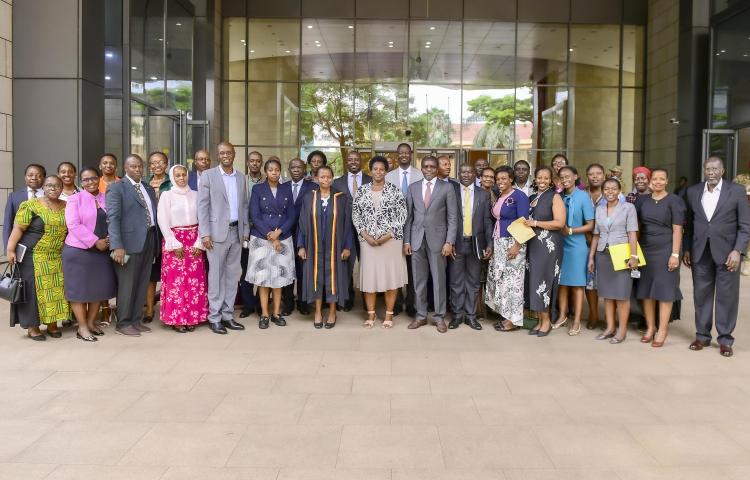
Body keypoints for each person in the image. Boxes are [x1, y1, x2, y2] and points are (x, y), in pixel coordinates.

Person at [683, 156, 750, 357]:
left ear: (723, 171)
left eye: (715, 169)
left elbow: (745, 225)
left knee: (727, 297)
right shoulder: (693, 191)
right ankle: (702, 336)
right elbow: (690, 225)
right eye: (707, 169)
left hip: (728, 254)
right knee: (701, 295)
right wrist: (687, 248)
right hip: (700, 251)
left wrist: (738, 250)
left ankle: (725, 339)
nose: (711, 172)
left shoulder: (736, 191)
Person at [6, 175, 69, 340]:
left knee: (54, 290)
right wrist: (10, 249)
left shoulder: (67, 206)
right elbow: (18, 228)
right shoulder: (31, 205)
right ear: (44, 188)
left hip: (55, 256)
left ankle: (52, 324)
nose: (53, 188)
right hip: (32, 256)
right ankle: (33, 327)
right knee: (32, 292)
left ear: (62, 188)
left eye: (56, 186)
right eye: (49, 185)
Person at [198, 141, 249, 335]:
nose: (226, 155)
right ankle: (214, 317)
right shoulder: (208, 176)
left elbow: (244, 205)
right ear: (218, 155)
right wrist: (205, 234)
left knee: (232, 276)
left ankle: (228, 315)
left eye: (229, 152)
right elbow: (202, 207)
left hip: (236, 234)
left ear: (234, 154)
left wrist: (245, 233)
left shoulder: (241, 178)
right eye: (222, 153)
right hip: (216, 235)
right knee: (216, 277)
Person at [352, 156, 408, 328]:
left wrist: (389, 234)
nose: (378, 172)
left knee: (390, 277)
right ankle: (371, 314)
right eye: (375, 169)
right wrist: (365, 235)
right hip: (368, 242)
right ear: (370, 171)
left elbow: (402, 215)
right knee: (370, 278)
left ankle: (389, 315)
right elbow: (356, 214)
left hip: (390, 241)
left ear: (386, 171)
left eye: (381, 169)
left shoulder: (395, 190)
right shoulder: (361, 191)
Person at [403, 156, 457, 334]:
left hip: (439, 242)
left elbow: (452, 217)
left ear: (437, 169)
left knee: (439, 281)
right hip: (417, 241)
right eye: (425, 166)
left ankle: (440, 317)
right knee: (418, 281)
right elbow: (409, 218)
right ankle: (420, 315)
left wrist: (449, 242)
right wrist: (407, 240)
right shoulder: (413, 188)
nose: (429, 169)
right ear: (421, 168)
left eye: (432, 166)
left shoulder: (447, 187)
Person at [62, 167, 116, 342]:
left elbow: (114, 219)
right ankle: (82, 327)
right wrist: (95, 241)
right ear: (81, 181)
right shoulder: (74, 199)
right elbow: (73, 225)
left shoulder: (106, 197)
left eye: (93, 178)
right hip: (79, 252)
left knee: (97, 289)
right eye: (86, 180)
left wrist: (108, 239)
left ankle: (92, 323)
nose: (91, 182)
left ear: (98, 179)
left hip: (101, 252)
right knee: (79, 290)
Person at [107, 154, 158, 337]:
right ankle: (123, 323)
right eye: (133, 167)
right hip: (126, 245)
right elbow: (113, 218)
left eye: (140, 167)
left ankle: (135, 320)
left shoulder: (147, 188)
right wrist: (117, 246)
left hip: (149, 240)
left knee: (142, 282)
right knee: (127, 284)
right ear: (126, 168)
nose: (137, 170)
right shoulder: (116, 188)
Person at [635, 168, 686, 347]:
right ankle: (651, 327)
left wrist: (675, 254)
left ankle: (662, 330)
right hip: (646, 249)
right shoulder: (643, 201)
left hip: (666, 249)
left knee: (665, 292)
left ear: (667, 181)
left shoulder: (674, 201)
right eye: (654, 179)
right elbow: (638, 227)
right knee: (646, 291)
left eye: (661, 179)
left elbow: (678, 229)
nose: (657, 182)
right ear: (650, 181)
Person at [297, 165, 352, 328]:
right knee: (316, 278)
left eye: (328, 177)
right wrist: (301, 245)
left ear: (332, 178)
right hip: (313, 246)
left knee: (333, 279)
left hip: (334, 247)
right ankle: (318, 312)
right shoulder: (309, 197)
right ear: (316, 178)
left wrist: (347, 246)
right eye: (322, 177)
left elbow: (347, 224)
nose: (325, 180)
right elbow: (301, 223)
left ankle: (333, 312)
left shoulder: (341, 198)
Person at [157, 165, 208, 332]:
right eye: (177, 175)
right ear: (172, 177)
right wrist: (173, 243)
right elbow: (162, 220)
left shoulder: (196, 194)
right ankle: (178, 319)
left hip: (194, 239)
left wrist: (199, 242)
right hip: (175, 240)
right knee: (176, 282)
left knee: (194, 281)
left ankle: (193, 316)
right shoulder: (167, 195)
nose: (181, 178)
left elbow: (203, 218)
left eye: (183, 174)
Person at [247, 159, 297, 329]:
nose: (274, 173)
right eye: (270, 170)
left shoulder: (286, 189)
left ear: (280, 171)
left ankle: (276, 313)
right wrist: (272, 236)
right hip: (262, 238)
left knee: (279, 278)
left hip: (283, 237)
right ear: (265, 172)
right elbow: (255, 215)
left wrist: (279, 233)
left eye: (277, 170)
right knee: (263, 279)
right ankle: (264, 314)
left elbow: (291, 215)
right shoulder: (258, 189)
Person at [588, 178, 639, 344]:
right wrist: (591, 257)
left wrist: (634, 256)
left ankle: (622, 329)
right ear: (603, 191)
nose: (610, 192)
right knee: (607, 295)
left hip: (621, 254)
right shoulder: (599, 208)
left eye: (613, 189)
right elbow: (596, 234)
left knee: (622, 295)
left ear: (619, 190)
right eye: (607, 189)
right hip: (603, 254)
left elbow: (632, 233)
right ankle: (610, 327)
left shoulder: (628, 208)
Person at [448, 163, 493, 330]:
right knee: (456, 281)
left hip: (476, 244)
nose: (466, 174)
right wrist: (449, 241)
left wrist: (489, 243)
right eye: (462, 171)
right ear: (458, 173)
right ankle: (457, 316)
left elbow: (487, 221)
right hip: (456, 243)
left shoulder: (483, 194)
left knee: (473, 282)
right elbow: (447, 219)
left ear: (476, 174)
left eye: (469, 171)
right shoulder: (451, 191)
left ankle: (471, 316)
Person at [486, 165, 530, 331]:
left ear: (511, 179)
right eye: (498, 179)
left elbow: (524, 221)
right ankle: (506, 317)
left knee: (514, 283)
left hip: (513, 242)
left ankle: (514, 320)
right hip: (499, 242)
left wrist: (517, 245)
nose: (500, 182)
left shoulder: (520, 196)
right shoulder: (499, 195)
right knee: (503, 281)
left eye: (504, 178)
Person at [523, 166, 565, 336]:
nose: (542, 181)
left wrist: (535, 223)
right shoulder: (532, 197)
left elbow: (559, 223)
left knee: (544, 282)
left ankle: (546, 321)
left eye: (546, 178)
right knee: (534, 282)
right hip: (533, 245)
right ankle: (540, 320)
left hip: (548, 246)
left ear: (551, 180)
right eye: (539, 178)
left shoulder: (555, 197)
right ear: (535, 179)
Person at [555, 165, 595, 335]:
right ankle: (563, 316)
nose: (565, 180)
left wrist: (571, 230)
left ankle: (577, 320)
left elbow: (591, 225)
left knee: (578, 284)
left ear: (576, 176)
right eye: (561, 177)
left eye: (568, 176)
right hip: (561, 244)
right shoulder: (559, 196)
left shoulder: (583, 197)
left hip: (578, 245)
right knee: (562, 283)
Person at [386, 143, 423, 317]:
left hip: (415, 227)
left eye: (407, 152)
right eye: (400, 152)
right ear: (397, 155)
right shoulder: (389, 176)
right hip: (393, 229)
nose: (404, 155)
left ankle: (411, 304)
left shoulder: (420, 174)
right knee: (395, 266)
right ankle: (397, 302)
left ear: (411, 154)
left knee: (412, 268)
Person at [332, 150, 372, 311]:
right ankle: (347, 298)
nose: (354, 162)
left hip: (367, 230)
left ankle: (367, 298)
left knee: (368, 265)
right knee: (346, 264)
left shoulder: (371, 180)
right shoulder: (337, 183)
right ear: (346, 162)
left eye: (357, 159)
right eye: (350, 160)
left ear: (361, 161)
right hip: (345, 229)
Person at [283, 157, 318, 315]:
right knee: (287, 269)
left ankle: (304, 303)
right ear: (289, 169)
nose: (296, 170)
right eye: (293, 167)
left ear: (304, 169)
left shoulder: (313, 187)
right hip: (285, 233)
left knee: (304, 270)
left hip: (305, 233)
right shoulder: (282, 187)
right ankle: (288, 302)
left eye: (299, 167)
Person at [143, 151, 172, 323]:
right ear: (149, 166)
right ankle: (149, 309)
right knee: (151, 273)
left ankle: (169, 306)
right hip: (150, 231)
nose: (157, 165)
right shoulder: (144, 182)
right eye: (153, 162)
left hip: (169, 231)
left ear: (166, 164)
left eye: (160, 162)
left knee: (169, 270)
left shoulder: (172, 181)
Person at [238, 150, 264, 318]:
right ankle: (248, 305)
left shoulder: (268, 181)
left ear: (261, 164)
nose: (254, 163)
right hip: (245, 232)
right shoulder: (241, 181)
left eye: (258, 161)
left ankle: (261, 304)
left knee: (262, 269)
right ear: (248, 162)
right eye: (252, 161)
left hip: (262, 231)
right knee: (246, 269)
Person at [584, 163, 607, 329]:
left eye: (598, 173)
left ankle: (609, 317)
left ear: (604, 176)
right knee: (589, 282)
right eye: (591, 174)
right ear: (587, 177)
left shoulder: (613, 195)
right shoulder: (582, 195)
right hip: (585, 243)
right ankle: (593, 314)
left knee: (608, 282)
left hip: (607, 245)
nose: (595, 176)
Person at [4, 164, 46, 249]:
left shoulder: (50, 195)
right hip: (21, 244)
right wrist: (8, 249)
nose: (34, 178)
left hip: (45, 244)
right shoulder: (14, 196)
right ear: (25, 177)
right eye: (30, 175)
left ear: (44, 178)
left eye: (38, 175)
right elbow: (8, 223)